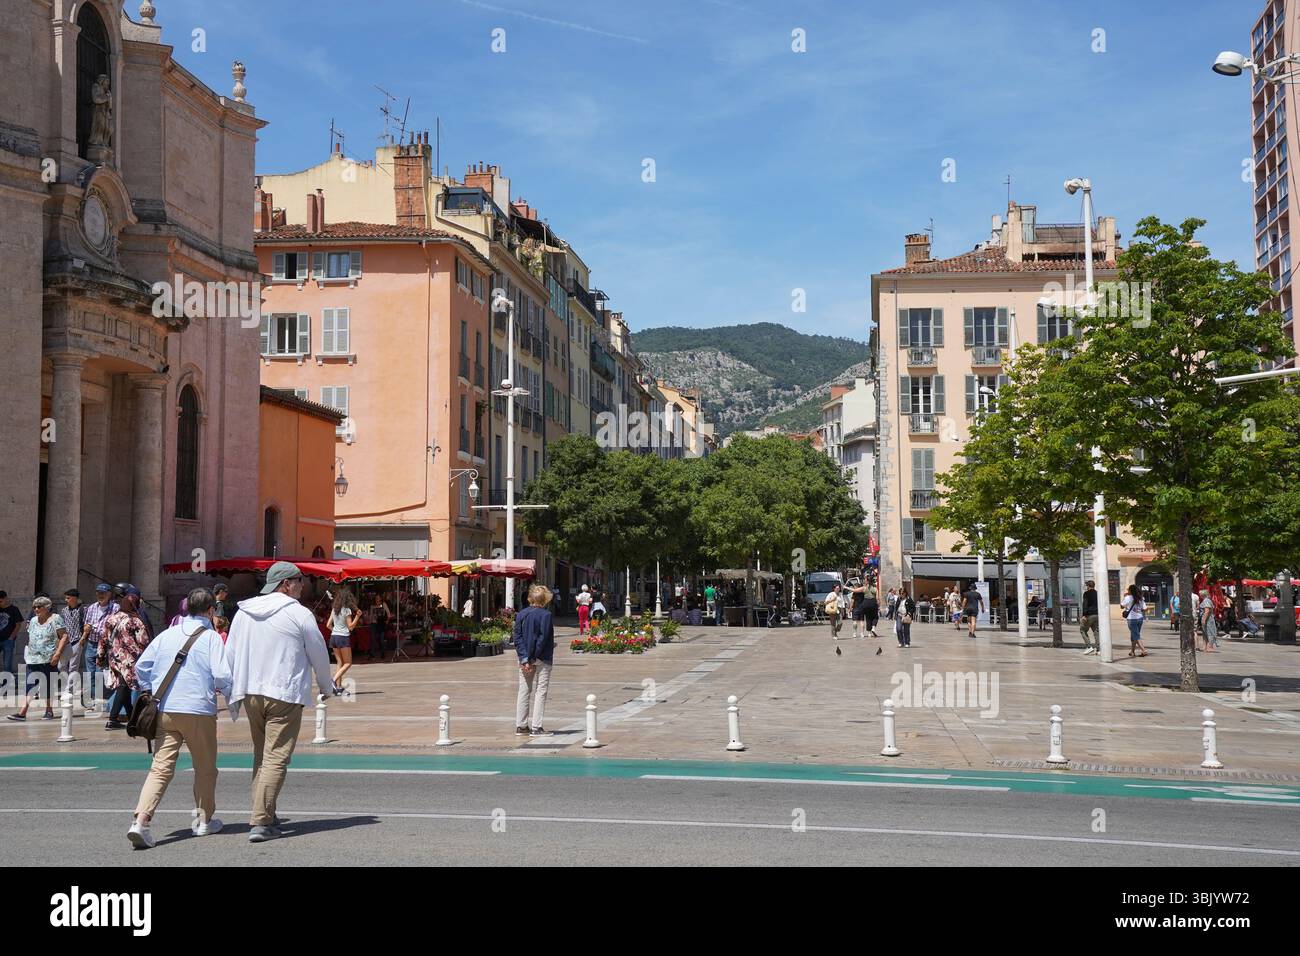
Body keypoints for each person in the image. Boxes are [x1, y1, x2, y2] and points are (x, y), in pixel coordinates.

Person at [224, 561, 334, 843]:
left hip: (250, 691)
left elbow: (231, 653)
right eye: (299, 579)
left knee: (262, 756)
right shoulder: (299, 614)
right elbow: (318, 652)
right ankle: (260, 821)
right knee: (276, 757)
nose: (303, 584)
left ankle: (267, 814)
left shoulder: (244, 612)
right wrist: (326, 686)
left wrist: (230, 691)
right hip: (283, 692)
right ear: (286, 584)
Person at [127, 588, 233, 849]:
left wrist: (152, 687)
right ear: (210, 611)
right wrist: (232, 699)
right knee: (205, 767)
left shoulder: (167, 634)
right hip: (198, 709)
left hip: (166, 708)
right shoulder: (211, 638)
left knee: (160, 768)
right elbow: (222, 675)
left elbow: (141, 667)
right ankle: (203, 820)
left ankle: (141, 821)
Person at [97, 586, 151, 729]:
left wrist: (100, 657)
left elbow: (103, 639)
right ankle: (113, 719)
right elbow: (144, 642)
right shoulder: (136, 621)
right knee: (124, 686)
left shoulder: (111, 618)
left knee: (124, 686)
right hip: (130, 660)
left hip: (114, 658)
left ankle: (131, 717)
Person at [6, 596, 67, 721]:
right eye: (34, 607)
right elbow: (32, 637)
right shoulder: (33, 620)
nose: (36, 609)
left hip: (49, 658)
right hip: (33, 658)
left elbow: (64, 636)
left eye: (39, 607)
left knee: (47, 686)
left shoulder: (56, 619)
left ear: (47, 608)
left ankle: (49, 711)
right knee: (30, 685)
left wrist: (58, 654)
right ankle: (22, 713)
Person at [514, 584, 556, 737]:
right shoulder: (546, 615)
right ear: (545, 600)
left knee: (524, 690)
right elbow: (542, 638)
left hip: (525, 659)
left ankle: (521, 725)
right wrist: (532, 657)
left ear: (530, 598)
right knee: (540, 691)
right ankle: (536, 727)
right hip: (542, 658)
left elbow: (517, 638)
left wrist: (525, 658)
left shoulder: (521, 614)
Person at [82, 583, 118, 712]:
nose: (100, 595)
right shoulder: (92, 607)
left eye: (103, 593)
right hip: (92, 643)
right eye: (98, 593)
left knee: (99, 673)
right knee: (90, 673)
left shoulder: (115, 608)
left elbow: (112, 625)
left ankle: (101, 699)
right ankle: (92, 699)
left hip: (105, 645)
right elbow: (87, 623)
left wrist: (95, 628)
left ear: (109, 594)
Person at [56, 589, 86, 704]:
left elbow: (86, 624)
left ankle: (69, 690)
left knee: (73, 667)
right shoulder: (64, 611)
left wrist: (83, 638)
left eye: (68, 598)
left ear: (74, 598)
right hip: (66, 641)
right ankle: (66, 687)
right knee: (60, 666)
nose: (66, 600)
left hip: (77, 640)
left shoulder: (83, 609)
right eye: (66, 598)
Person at [328, 589, 360, 693]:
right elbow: (350, 627)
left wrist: (336, 631)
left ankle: (338, 687)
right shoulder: (346, 610)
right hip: (343, 637)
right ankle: (333, 681)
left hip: (334, 636)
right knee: (348, 663)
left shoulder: (334, 609)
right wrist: (357, 617)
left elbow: (328, 625)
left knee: (339, 662)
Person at [0, 590, 26, 678]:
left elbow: (18, 625)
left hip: (8, 640)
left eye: (0, 601)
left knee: (7, 664)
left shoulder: (14, 609)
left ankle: (7, 684)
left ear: (6, 599)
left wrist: (11, 637)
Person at [1121, 584, 1149, 657]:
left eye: (1128, 590)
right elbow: (1145, 608)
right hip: (1140, 618)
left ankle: (1144, 650)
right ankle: (1132, 651)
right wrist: (1139, 610)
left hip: (1132, 619)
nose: (1127, 591)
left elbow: (1121, 606)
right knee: (1134, 635)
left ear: (1130, 590)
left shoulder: (1128, 598)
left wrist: (1124, 597)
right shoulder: (1140, 598)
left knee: (1136, 635)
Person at [1080, 579, 1101, 655]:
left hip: (1089, 615)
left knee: (1082, 630)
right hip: (1097, 614)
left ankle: (1089, 647)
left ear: (1088, 586)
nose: (1086, 587)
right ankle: (1098, 650)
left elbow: (1085, 604)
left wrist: (1084, 615)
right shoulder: (1097, 593)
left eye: (1086, 586)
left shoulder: (1086, 594)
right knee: (1096, 631)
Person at [368, 592, 390, 661]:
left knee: (381, 639)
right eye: (376, 598)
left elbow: (388, 614)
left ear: (381, 598)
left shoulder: (384, 604)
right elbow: (371, 615)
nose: (377, 599)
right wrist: (370, 622)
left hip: (381, 624)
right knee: (373, 639)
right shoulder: (372, 606)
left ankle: (383, 652)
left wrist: (387, 621)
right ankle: (372, 654)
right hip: (374, 624)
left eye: (378, 598)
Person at [825, 583, 844, 653]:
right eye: (837, 588)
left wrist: (842, 610)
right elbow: (826, 602)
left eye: (839, 588)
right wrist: (832, 599)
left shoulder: (840, 595)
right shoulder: (830, 594)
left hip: (838, 610)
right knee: (833, 624)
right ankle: (833, 635)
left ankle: (836, 631)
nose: (838, 589)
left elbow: (842, 603)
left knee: (840, 623)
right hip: (832, 609)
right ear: (834, 588)